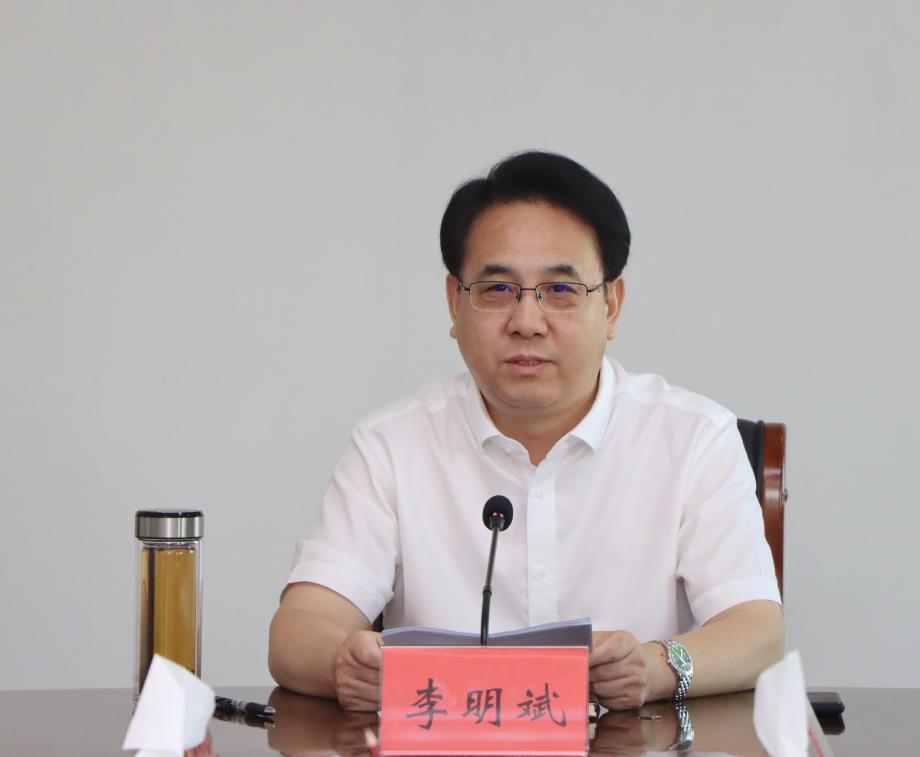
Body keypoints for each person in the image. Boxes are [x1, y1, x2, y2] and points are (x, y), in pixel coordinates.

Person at [268, 151, 784, 712]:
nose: (527, 322)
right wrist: (342, 664)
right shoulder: (391, 445)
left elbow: (757, 632)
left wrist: (655, 669)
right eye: (497, 290)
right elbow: (300, 630)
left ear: (612, 305)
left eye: (561, 291)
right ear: (455, 303)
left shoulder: (693, 438)